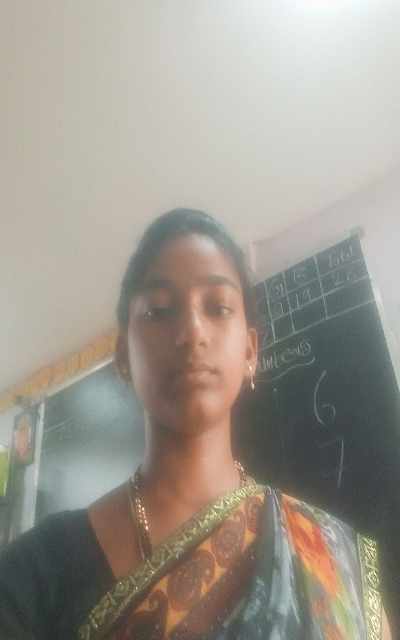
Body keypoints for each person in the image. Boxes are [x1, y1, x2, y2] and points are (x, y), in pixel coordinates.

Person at [0, 208, 392, 639]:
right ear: (124, 356)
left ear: (250, 351)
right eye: (159, 311)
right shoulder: (32, 574)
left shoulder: (333, 561)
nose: (191, 331)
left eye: (218, 307)